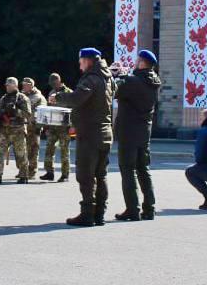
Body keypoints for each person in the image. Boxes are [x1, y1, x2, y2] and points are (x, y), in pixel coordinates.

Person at [51, 48, 115, 227]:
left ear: (87, 61)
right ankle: (99, 214)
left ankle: (87, 214)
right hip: (105, 133)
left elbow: (78, 97)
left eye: (80, 63)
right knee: (101, 175)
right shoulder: (107, 78)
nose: (79, 67)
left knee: (86, 175)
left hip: (90, 134)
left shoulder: (91, 79)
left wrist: (59, 97)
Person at [113, 50, 162, 220]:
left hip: (128, 132)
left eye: (137, 60)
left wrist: (116, 74)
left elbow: (113, 90)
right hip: (144, 133)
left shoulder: (133, 81)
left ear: (142, 63)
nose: (134, 63)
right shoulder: (153, 81)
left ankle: (132, 209)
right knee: (143, 170)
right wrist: (124, 75)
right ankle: (149, 208)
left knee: (128, 171)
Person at [0, 77, 31, 185]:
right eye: (6, 85)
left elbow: (28, 114)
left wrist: (16, 111)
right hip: (4, 129)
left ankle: (24, 176)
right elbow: (0, 112)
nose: (7, 87)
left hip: (18, 130)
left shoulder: (22, 98)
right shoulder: (4, 98)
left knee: (21, 154)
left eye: (9, 85)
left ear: (15, 86)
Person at [42, 73, 72, 182]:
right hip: (53, 127)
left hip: (64, 128)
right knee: (49, 149)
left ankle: (65, 175)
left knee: (64, 151)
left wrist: (73, 126)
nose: (53, 85)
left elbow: (74, 110)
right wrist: (46, 125)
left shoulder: (68, 92)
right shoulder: (51, 92)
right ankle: (49, 172)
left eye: (54, 83)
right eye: (51, 84)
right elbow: (49, 109)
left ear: (59, 81)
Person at [20, 78, 47, 180]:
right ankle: (23, 171)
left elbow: (42, 113)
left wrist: (39, 127)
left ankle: (32, 171)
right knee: (23, 150)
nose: (24, 86)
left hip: (33, 127)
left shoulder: (39, 97)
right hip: (22, 127)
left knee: (33, 150)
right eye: (23, 84)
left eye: (26, 85)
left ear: (31, 85)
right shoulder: (21, 95)